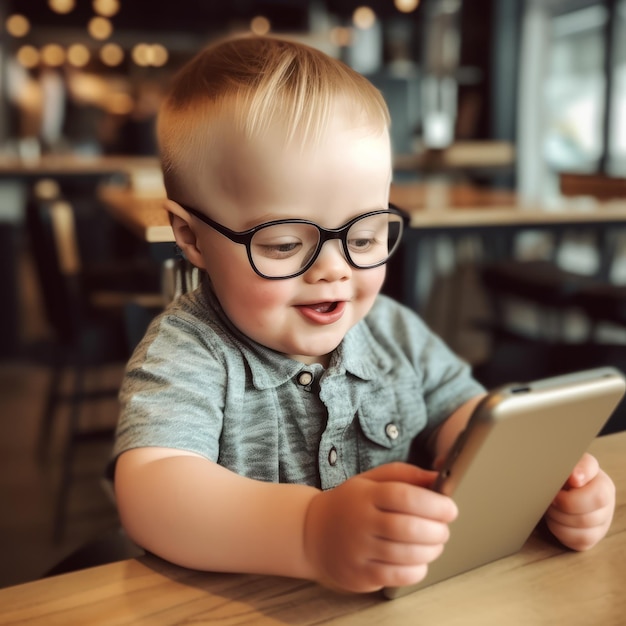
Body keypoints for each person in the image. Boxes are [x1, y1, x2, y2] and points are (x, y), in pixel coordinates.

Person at [111, 35, 616, 594]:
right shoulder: (190, 352)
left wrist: (533, 483)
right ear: (191, 236)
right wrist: (309, 532)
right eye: (283, 244)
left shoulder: (394, 331)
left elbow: (463, 418)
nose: (334, 269)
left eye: (365, 234)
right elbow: (153, 489)